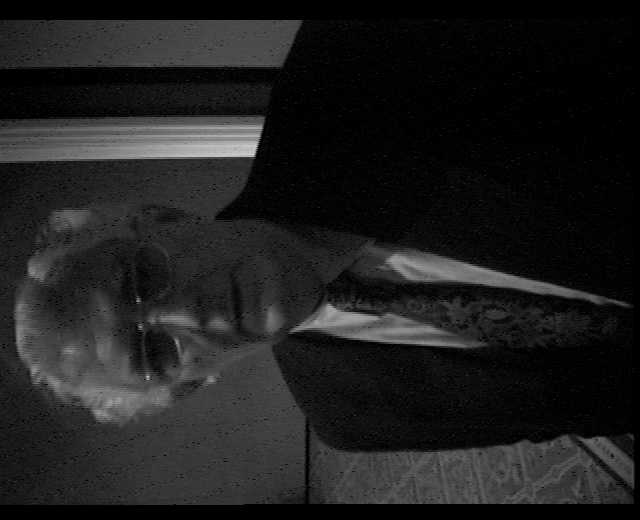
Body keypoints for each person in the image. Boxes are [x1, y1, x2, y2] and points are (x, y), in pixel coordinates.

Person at [14, 20, 632, 450]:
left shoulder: (353, 65)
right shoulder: (353, 417)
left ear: (161, 218)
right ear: (190, 384)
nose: (186, 315)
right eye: (153, 355)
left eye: (142, 277)